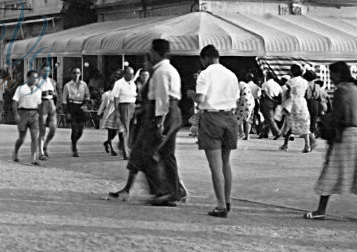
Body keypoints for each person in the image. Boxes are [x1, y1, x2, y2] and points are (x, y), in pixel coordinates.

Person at [303, 61, 357, 224]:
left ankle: (320, 210)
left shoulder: (341, 90)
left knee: (330, 172)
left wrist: (327, 129)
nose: (331, 78)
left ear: (339, 74)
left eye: (332, 75)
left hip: (345, 135)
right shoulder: (354, 90)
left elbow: (338, 116)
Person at [110, 39, 185, 205]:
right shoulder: (169, 69)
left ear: (157, 52)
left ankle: (163, 191)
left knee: (148, 152)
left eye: (151, 51)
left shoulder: (161, 72)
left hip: (161, 113)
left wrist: (159, 122)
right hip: (170, 112)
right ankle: (176, 190)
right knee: (167, 153)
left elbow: (162, 98)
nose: (149, 54)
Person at [194, 45, 240, 218]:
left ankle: (220, 205)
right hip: (229, 118)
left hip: (211, 118)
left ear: (204, 58)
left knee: (215, 165)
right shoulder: (231, 74)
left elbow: (200, 99)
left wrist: (192, 94)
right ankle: (227, 201)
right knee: (225, 162)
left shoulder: (205, 74)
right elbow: (235, 97)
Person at [279, 65, 316, 153]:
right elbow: (307, 93)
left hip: (293, 103)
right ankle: (307, 145)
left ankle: (285, 144)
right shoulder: (305, 82)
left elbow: (284, 91)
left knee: (291, 124)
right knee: (304, 124)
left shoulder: (290, 81)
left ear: (292, 71)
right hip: (302, 103)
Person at [11, 70, 43, 165]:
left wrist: (40, 115)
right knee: (22, 138)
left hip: (34, 114)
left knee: (34, 137)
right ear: (28, 78)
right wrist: (16, 114)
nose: (34, 80)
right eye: (32, 77)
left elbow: (39, 104)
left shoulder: (39, 90)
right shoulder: (20, 89)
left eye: (36, 78)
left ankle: (33, 158)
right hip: (23, 113)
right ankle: (15, 152)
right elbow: (14, 102)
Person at [61, 66, 90, 157]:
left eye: (78, 73)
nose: (76, 75)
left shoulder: (84, 85)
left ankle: (74, 142)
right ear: (71, 74)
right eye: (74, 73)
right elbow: (64, 100)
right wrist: (67, 112)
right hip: (72, 106)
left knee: (80, 130)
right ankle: (74, 148)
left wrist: (85, 104)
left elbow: (87, 96)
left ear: (80, 74)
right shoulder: (67, 86)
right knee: (74, 129)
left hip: (81, 107)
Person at [111, 67, 138, 159]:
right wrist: (117, 111)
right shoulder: (119, 83)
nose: (132, 76)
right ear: (125, 74)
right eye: (130, 74)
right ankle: (125, 153)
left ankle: (124, 146)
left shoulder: (133, 83)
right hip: (124, 106)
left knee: (132, 129)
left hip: (132, 106)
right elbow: (116, 97)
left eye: (133, 74)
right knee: (125, 130)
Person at [37, 70, 59, 159]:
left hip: (51, 104)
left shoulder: (53, 82)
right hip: (42, 104)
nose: (45, 73)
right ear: (41, 72)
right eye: (44, 71)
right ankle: (41, 153)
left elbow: (56, 95)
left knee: (53, 129)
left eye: (47, 71)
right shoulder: (38, 81)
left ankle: (45, 145)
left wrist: (57, 106)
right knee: (42, 130)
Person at [97, 78, 121, 156]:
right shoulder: (107, 94)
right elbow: (103, 104)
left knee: (116, 132)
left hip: (117, 114)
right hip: (109, 114)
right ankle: (112, 149)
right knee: (110, 132)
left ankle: (107, 142)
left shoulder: (120, 93)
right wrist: (99, 113)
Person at [257, 74, 283, 139]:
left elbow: (263, 94)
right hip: (274, 102)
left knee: (269, 118)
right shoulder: (277, 84)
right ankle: (264, 133)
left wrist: (270, 98)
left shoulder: (265, 84)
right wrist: (276, 101)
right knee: (268, 118)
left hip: (267, 102)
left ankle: (277, 132)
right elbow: (281, 93)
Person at [237, 73, 257, 140]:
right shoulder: (246, 85)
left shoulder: (239, 84)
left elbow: (237, 95)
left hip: (244, 103)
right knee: (248, 119)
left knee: (239, 118)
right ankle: (247, 136)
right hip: (251, 103)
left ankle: (241, 134)